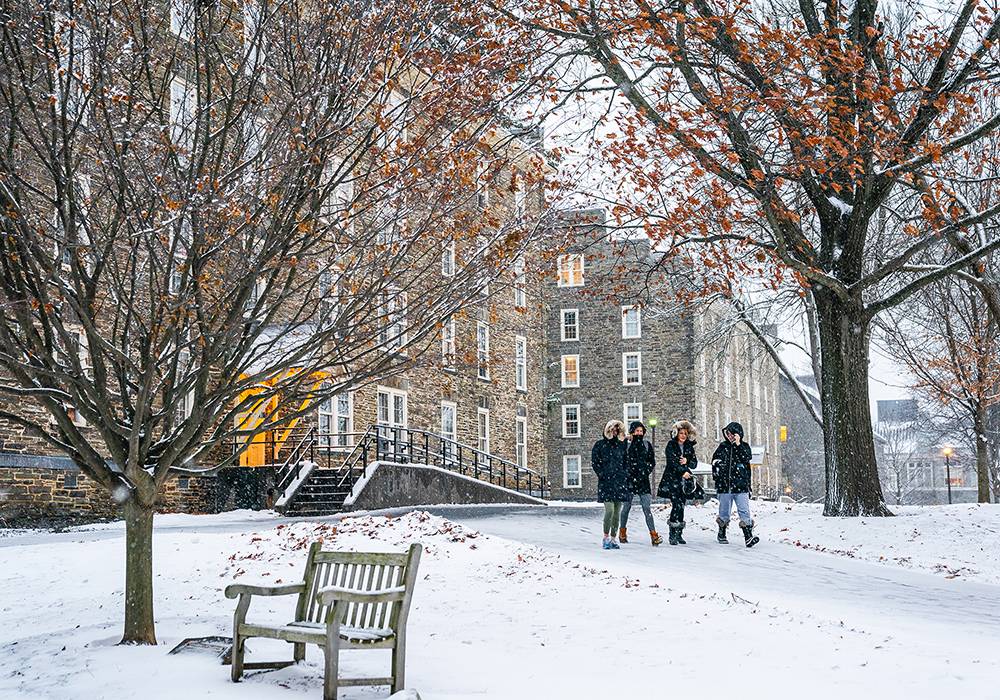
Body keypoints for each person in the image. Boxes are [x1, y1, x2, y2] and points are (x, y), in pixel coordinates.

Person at [711, 421, 760, 548]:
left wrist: (738, 445)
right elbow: (715, 461)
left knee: (744, 510)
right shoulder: (722, 447)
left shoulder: (744, 446)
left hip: (741, 485)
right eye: (728, 434)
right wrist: (718, 474)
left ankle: (748, 536)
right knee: (724, 511)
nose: (730, 436)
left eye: (733, 434)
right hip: (725, 485)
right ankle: (722, 532)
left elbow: (746, 458)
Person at [619, 421, 661, 546]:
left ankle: (654, 535)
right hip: (629, 481)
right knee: (626, 507)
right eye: (637, 431)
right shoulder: (626, 445)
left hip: (643, 481)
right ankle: (622, 532)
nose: (639, 433)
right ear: (632, 432)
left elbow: (651, 461)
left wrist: (645, 470)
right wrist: (627, 473)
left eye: (641, 431)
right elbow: (621, 461)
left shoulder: (647, 445)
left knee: (647, 508)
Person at [657, 420, 698, 545]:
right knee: (676, 505)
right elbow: (672, 462)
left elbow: (694, 463)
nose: (683, 436)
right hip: (673, 479)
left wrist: (687, 461)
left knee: (682, 506)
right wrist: (682, 472)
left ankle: (679, 533)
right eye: (681, 433)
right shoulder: (671, 445)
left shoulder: (689, 447)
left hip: (685, 483)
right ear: (677, 434)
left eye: (685, 433)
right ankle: (672, 534)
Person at [592, 419, 630, 550]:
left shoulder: (622, 445)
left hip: (620, 482)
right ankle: (605, 537)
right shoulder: (599, 445)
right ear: (607, 430)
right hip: (606, 483)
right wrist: (602, 474)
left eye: (616, 430)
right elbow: (595, 462)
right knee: (609, 510)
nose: (614, 432)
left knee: (616, 513)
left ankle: (614, 539)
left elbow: (626, 461)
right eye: (612, 430)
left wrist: (624, 474)